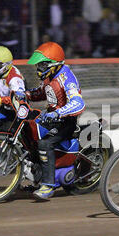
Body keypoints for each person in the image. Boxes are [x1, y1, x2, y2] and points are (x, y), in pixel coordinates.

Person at [25, 42, 85, 200]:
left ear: (55, 64)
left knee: (45, 144)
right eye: (38, 65)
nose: (39, 69)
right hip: (51, 116)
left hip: (66, 120)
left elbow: (78, 103)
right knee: (29, 133)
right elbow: (42, 93)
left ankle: (48, 186)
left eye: (42, 65)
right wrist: (26, 95)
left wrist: (58, 113)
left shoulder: (67, 78)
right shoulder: (48, 76)